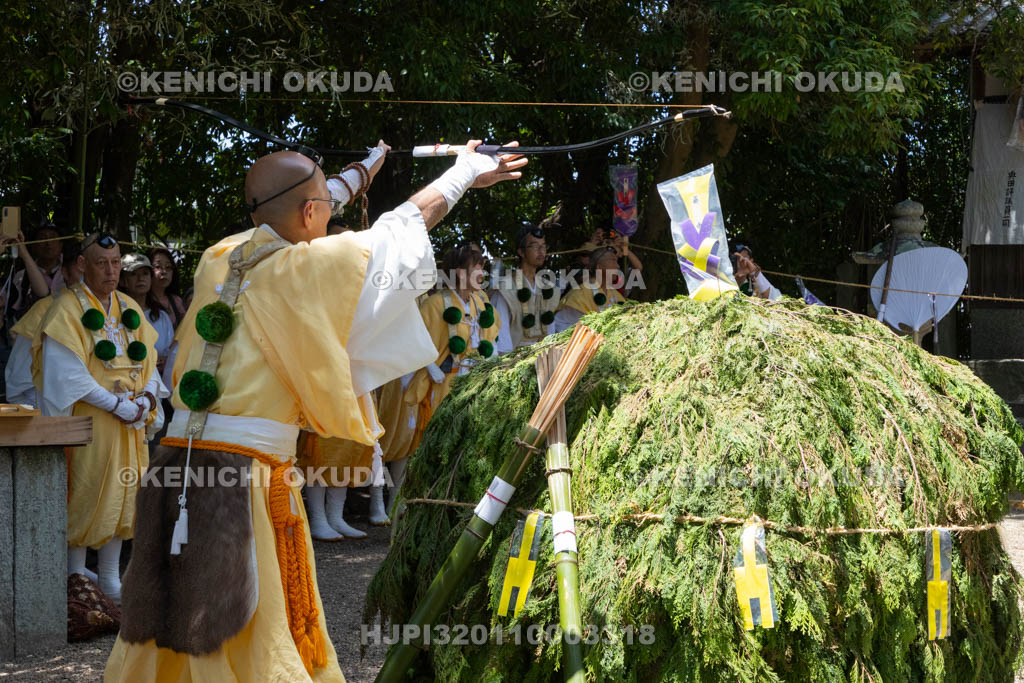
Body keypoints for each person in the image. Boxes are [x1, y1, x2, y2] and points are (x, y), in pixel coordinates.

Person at [105, 137, 525, 683]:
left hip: (175, 464)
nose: (331, 218)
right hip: (245, 478)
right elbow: (403, 228)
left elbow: (299, 202)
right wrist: (465, 171)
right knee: (248, 628)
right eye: (325, 207)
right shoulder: (305, 269)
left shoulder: (218, 258)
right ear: (310, 212)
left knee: (166, 623)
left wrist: (361, 172)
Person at [35, 232, 167, 602]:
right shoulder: (66, 308)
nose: (110, 272)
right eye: (101, 263)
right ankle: (76, 578)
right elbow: (67, 372)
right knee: (87, 494)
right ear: (82, 265)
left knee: (125, 495)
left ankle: (110, 576)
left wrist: (146, 399)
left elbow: (150, 364)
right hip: (90, 422)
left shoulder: (128, 306)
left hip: (130, 424)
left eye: (115, 264)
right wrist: (116, 405)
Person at [378, 242, 501, 511]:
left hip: (472, 384)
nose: (481, 272)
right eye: (475, 267)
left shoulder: (482, 302)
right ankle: (403, 502)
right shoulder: (435, 304)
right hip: (439, 384)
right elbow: (412, 340)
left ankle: (449, 503)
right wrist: (429, 366)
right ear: (459, 273)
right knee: (424, 446)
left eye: (482, 267)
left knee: (463, 445)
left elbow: (492, 338)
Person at [5, 239, 84, 407]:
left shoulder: (122, 309)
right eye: (82, 271)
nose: (90, 278)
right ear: (65, 272)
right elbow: (20, 385)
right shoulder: (44, 310)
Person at [491, 222, 560, 354]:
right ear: (521, 252)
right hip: (514, 360)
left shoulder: (548, 287)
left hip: (543, 357)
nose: (541, 251)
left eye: (543, 247)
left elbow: (550, 331)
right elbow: (502, 335)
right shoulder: (505, 288)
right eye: (534, 247)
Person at [552, 246, 628, 332]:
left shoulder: (616, 296)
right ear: (599, 267)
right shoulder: (580, 294)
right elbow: (560, 326)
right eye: (613, 261)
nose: (617, 266)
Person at [120, 253, 175, 369]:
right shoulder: (115, 313)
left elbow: (171, 352)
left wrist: (166, 362)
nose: (140, 279)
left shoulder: (162, 316)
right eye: (133, 274)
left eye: (145, 273)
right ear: (122, 281)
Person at [8, 225, 59, 318]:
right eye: (42, 238)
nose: (48, 243)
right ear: (33, 246)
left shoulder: (70, 270)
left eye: (53, 237)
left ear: (61, 244)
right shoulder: (22, 275)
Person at [147, 247, 188, 328]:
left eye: (168, 267)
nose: (164, 271)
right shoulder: (140, 299)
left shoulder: (176, 302)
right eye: (158, 266)